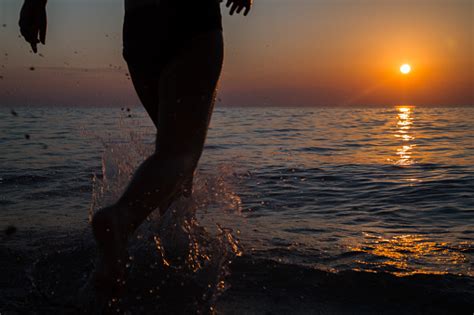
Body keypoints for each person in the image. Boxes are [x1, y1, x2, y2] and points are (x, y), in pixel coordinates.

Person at [19, 0, 252, 295]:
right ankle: (121, 219)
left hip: (141, 27)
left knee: (172, 150)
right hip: (191, 17)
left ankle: (173, 247)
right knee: (181, 153)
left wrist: (35, 2)